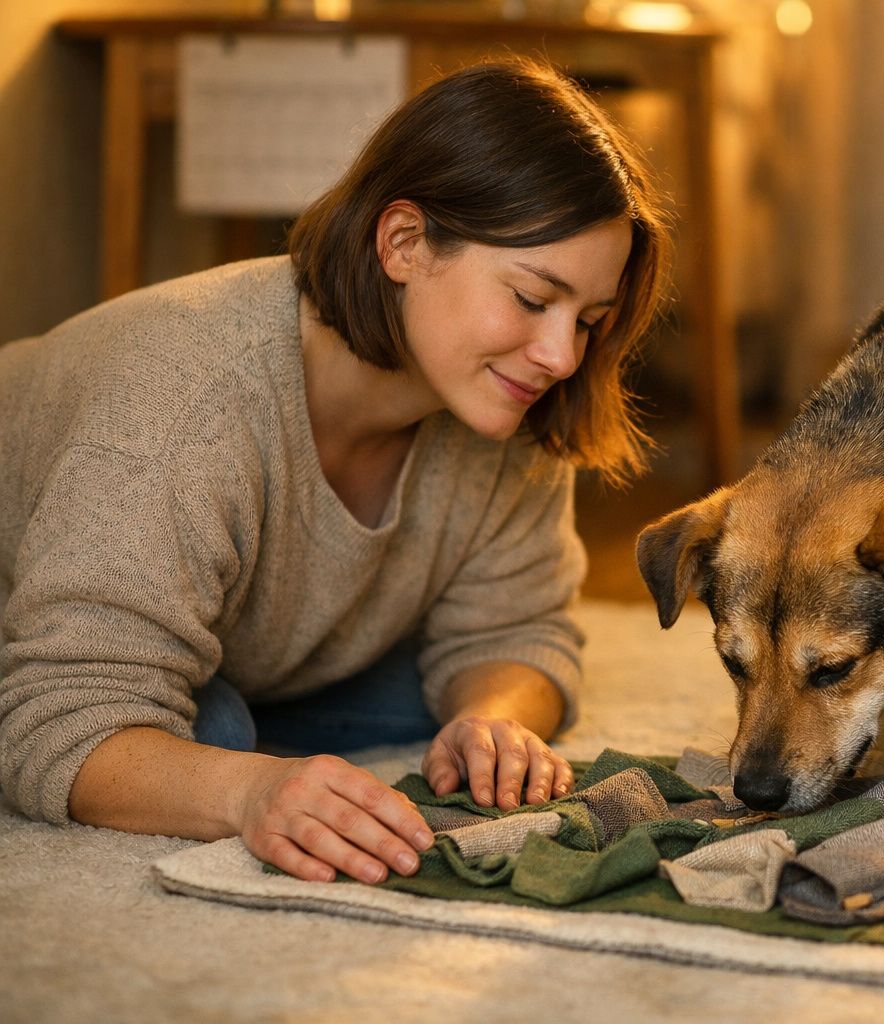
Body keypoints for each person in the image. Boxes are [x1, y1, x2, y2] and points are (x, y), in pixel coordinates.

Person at [0, 57, 671, 886]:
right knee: (217, 738)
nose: (561, 355)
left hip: (247, 646)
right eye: (534, 299)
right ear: (403, 242)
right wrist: (251, 794)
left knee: (427, 706)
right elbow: (55, 721)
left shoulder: (505, 401)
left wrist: (489, 721)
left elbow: (517, 631)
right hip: (32, 619)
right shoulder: (184, 398)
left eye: (590, 320)